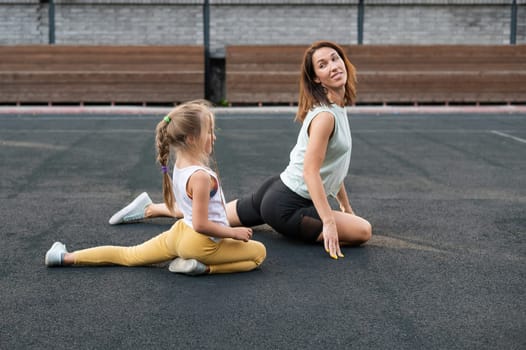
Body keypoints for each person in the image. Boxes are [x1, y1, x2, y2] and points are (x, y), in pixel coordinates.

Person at [108, 41, 372, 260]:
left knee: (214, 213)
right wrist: (328, 221)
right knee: (363, 231)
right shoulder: (325, 117)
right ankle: (196, 255)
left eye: (335, 59)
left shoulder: (337, 108)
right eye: (323, 65)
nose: (333, 66)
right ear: (316, 78)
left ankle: (150, 209)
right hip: (287, 205)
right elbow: (311, 172)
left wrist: (346, 207)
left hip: (274, 191)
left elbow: (333, 166)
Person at [45, 100, 266, 275]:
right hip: (202, 244)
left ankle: (64, 257)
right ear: (191, 138)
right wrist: (233, 232)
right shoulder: (200, 177)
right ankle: (205, 268)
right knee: (259, 254)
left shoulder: (180, 165)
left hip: (180, 233)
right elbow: (201, 224)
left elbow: (191, 214)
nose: (214, 137)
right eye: (209, 131)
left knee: (129, 255)